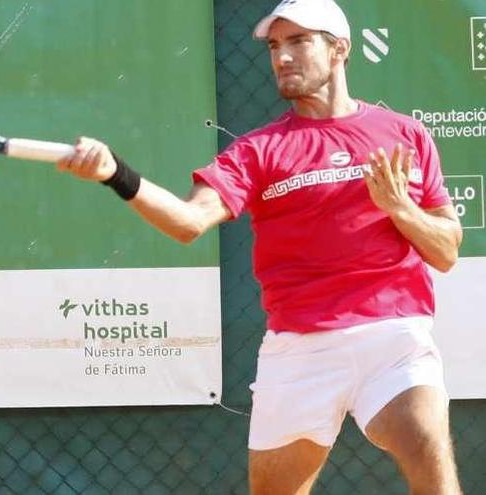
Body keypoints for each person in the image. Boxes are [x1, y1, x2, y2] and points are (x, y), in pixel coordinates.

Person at [56, 0, 464, 493]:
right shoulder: (258, 151)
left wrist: (402, 210)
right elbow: (189, 222)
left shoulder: (405, 135)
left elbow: (445, 251)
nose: (281, 57)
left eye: (298, 42)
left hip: (393, 339)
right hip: (300, 351)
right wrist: (115, 174)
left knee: (428, 449)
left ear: (340, 50)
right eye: (274, 45)